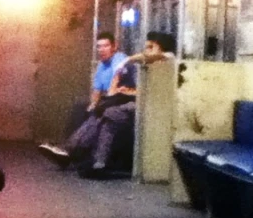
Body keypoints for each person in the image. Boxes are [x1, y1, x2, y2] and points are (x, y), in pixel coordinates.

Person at [38, 31, 175, 176]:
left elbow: (149, 65)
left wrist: (127, 60)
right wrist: (127, 91)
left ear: (162, 48)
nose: (147, 50)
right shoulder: (150, 67)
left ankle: (78, 154)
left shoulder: (168, 59)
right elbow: (142, 91)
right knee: (106, 112)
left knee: (108, 111)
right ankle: (93, 160)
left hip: (157, 107)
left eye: (151, 47)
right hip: (144, 103)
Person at [37, 31, 128, 168]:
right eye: (99, 46)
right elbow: (97, 90)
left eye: (105, 46)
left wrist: (101, 103)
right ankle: (69, 150)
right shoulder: (101, 65)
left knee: (100, 112)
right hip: (108, 99)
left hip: (122, 99)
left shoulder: (119, 58)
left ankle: (67, 150)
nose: (101, 50)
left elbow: (117, 79)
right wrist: (92, 104)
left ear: (114, 47)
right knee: (81, 108)